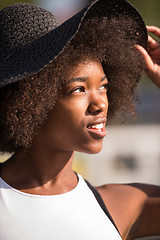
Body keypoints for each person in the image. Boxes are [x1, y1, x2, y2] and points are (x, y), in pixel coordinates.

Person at [0, 0, 159, 239]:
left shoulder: (121, 206)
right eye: (79, 89)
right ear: (29, 102)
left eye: (104, 87)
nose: (101, 104)